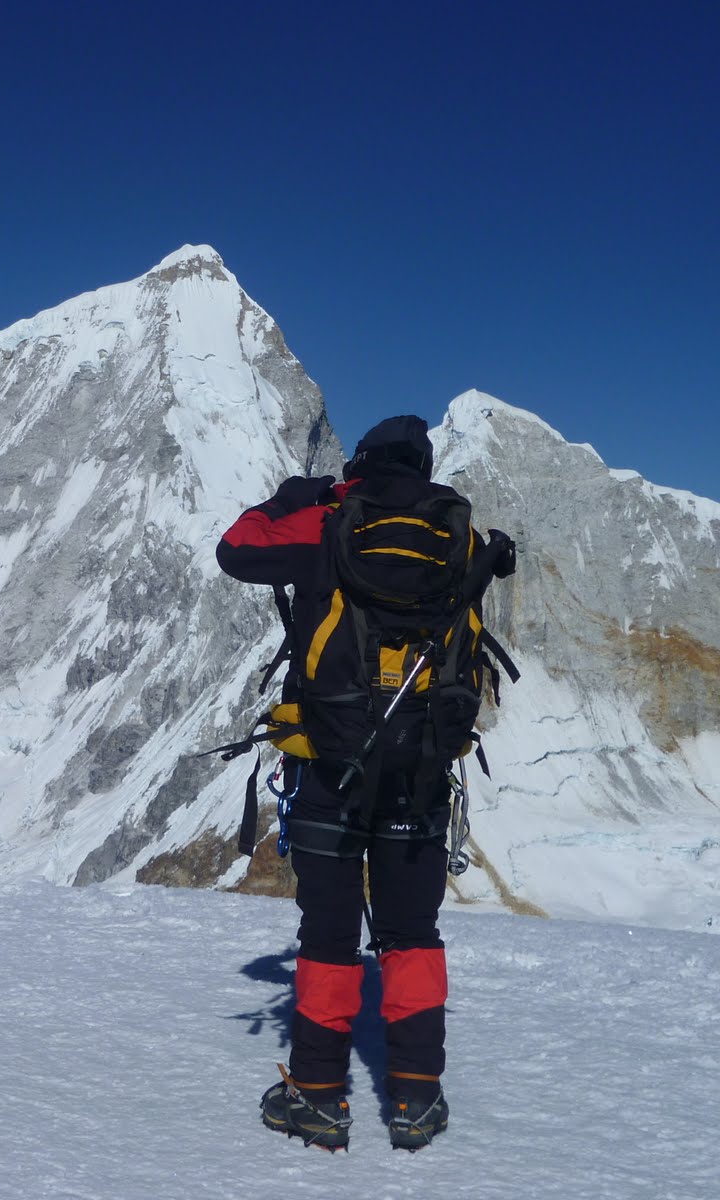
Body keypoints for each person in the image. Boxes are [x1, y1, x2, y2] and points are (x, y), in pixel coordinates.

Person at [215, 414, 515, 1153]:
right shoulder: (459, 537)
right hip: (421, 769)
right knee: (411, 936)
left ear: (361, 465)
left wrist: (292, 497)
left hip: (330, 764)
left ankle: (317, 1097)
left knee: (328, 939)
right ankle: (415, 1098)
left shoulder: (329, 523)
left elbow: (237, 550)